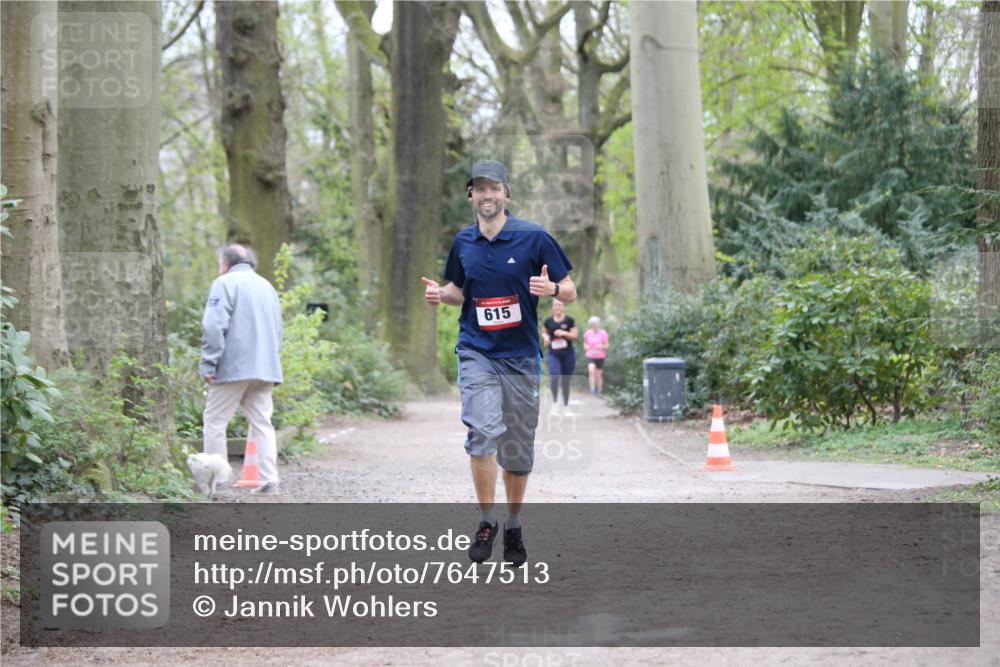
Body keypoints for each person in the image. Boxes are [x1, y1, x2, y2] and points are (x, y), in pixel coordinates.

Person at [422, 159, 576, 566]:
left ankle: (513, 524)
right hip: (477, 352)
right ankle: (487, 519)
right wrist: (442, 295)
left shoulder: (534, 237)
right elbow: (459, 290)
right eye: (480, 188)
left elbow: (571, 289)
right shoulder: (464, 242)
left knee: (517, 449)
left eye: (495, 188)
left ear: (506, 193)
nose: (487, 195)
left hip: (521, 356)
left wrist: (553, 287)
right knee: (482, 432)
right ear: (471, 195)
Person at [199, 243, 283, 496]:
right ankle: (269, 480)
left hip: (233, 366)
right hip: (266, 368)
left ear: (226, 264)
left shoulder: (224, 283)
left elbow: (214, 326)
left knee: (214, 422)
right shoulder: (268, 287)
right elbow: (278, 331)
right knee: (262, 424)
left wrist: (208, 362)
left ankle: (218, 481)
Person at [542, 299, 578, 416]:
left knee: (566, 381)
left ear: (564, 307)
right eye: (555, 305)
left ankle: (566, 407)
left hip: (568, 354)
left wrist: (564, 333)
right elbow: (544, 332)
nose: (558, 307)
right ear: (553, 307)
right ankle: (555, 404)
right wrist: (546, 338)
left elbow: (575, 335)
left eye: (560, 305)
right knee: (554, 377)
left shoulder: (569, 321)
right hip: (553, 354)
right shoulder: (548, 321)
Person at [583, 316, 609, 395]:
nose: (594, 326)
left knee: (598, 375)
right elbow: (585, 343)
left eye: (595, 324)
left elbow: (607, 345)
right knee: (591, 371)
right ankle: (592, 389)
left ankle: (599, 389)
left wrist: (601, 346)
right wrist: (586, 347)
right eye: (592, 324)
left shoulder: (603, 333)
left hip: (600, 356)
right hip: (590, 355)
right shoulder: (587, 333)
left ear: (598, 324)